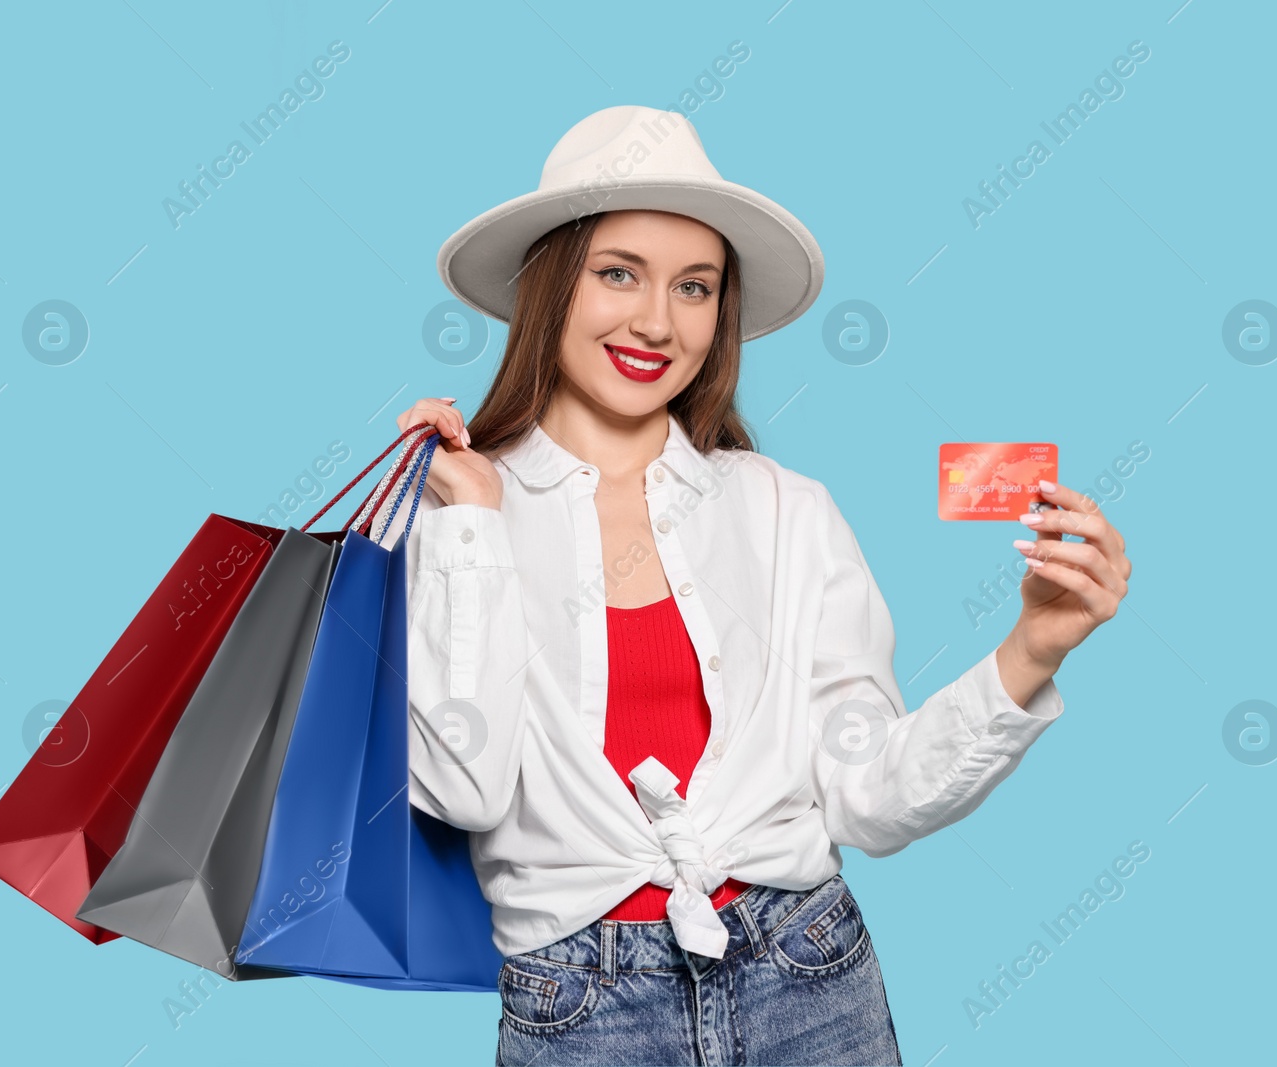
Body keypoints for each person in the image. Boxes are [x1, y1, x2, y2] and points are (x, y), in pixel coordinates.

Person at [375, 105, 1132, 1066]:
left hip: (809, 974)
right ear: (548, 284)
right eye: (619, 273)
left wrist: (1031, 651)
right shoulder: (445, 517)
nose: (657, 321)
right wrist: (474, 524)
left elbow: (865, 795)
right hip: (582, 1007)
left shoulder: (786, 511)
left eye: (694, 287)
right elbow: (467, 788)